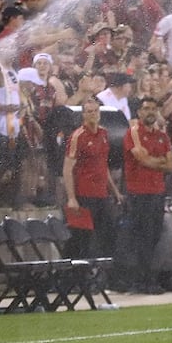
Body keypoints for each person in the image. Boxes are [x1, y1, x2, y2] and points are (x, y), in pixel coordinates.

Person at [123, 94, 172, 292]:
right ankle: (142, 281)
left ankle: (147, 279)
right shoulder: (133, 133)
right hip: (139, 192)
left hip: (157, 191)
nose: (150, 112)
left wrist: (153, 161)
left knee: (153, 236)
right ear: (139, 112)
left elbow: (171, 165)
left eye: (153, 109)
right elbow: (141, 159)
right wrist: (158, 161)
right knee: (142, 236)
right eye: (146, 108)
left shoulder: (162, 136)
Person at [63, 95, 120, 261]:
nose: (93, 114)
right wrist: (72, 198)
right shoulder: (78, 136)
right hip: (84, 194)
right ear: (83, 115)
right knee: (82, 237)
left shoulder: (104, 133)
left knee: (107, 235)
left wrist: (115, 191)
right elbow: (67, 169)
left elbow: (103, 166)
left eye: (95, 111)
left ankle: (100, 275)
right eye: (89, 112)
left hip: (102, 193)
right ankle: (74, 277)